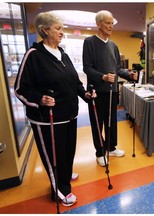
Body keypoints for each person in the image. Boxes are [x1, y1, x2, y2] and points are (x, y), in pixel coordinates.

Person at [14, 12, 95, 206]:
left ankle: (64, 176)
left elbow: (74, 82)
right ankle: (60, 190)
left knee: (67, 153)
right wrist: (40, 100)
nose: (62, 32)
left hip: (69, 115)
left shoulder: (63, 54)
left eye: (62, 28)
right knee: (53, 157)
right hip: (47, 119)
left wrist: (84, 94)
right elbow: (20, 89)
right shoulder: (33, 55)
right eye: (58, 28)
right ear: (44, 30)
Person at [82, 10, 138, 167]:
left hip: (112, 91)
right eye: (107, 23)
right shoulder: (89, 42)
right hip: (97, 92)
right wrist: (103, 77)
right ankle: (100, 152)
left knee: (111, 122)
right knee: (97, 123)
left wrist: (129, 75)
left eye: (112, 23)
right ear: (98, 24)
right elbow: (87, 67)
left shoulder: (113, 46)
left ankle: (111, 147)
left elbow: (118, 69)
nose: (110, 26)